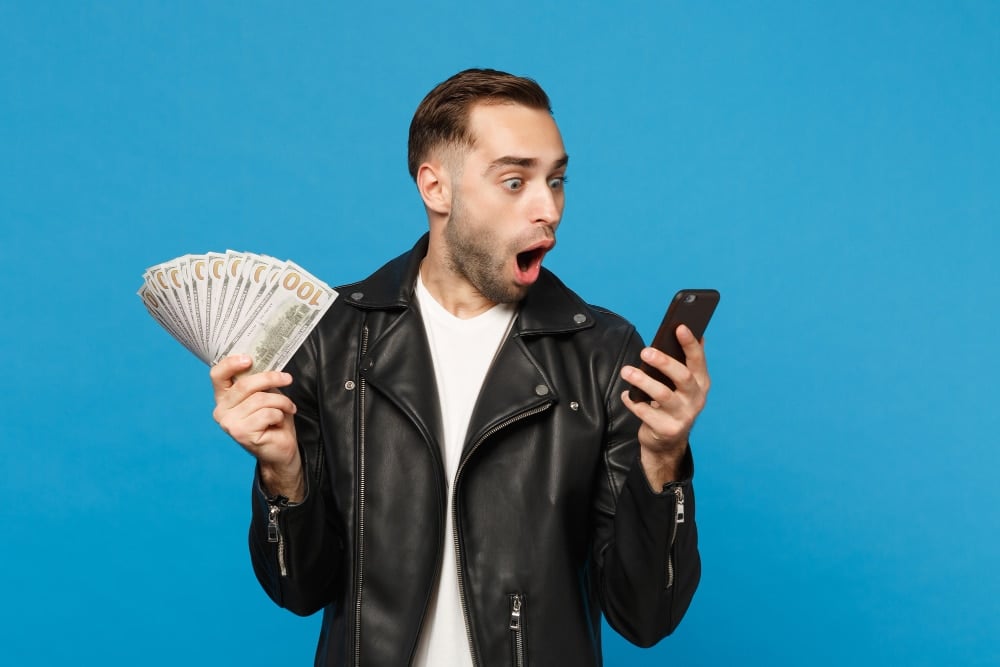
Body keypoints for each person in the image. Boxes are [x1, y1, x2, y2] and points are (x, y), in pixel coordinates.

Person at [210, 68, 707, 666]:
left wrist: (663, 461)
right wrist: (282, 473)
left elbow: (644, 615)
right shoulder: (331, 338)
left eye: (557, 180)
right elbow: (299, 589)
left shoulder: (603, 353)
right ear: (435, 187)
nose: (548, 208)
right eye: (515, 180)